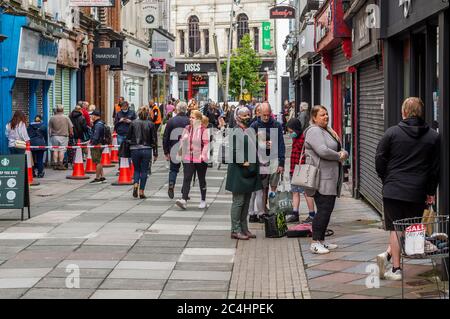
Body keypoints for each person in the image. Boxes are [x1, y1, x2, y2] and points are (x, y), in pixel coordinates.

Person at [375, 97, 440, 281]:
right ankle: (392, 257)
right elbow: (435, 169)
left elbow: (379, 158)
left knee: (395, 228)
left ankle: (396, 269)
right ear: (421, 113)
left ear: (403, 112)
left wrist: (386, 179)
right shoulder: (433, 137)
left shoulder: (392, 133)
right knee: (411, 227)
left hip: (393, 189)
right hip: (417, 191)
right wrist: (430, 192)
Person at [304, 105, 348, 255]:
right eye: (322, 115)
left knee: (327, 210)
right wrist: (339, 156)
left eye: (327, 114)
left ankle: (321, 240)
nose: (326, 117)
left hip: (329, 177)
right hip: (321, 178)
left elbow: (336, 148)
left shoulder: (325, 130)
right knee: (323, 210)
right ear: (314, 117)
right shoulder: (314, 131)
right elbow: (322, 150)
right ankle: (315, 242)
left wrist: (343, 153)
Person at [226, 106, 262, 240]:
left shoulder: (248, 130)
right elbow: (234, 152)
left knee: (246, 202)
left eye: (249, 114)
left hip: (249, 171)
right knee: (239, 202)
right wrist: (245, 163)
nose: (248, 117)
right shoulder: (235, 131)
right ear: (238, 117)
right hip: (239, 172)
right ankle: (235, 230)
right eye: (245, 115)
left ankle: (244, 228)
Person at [250, 102, 286, 214]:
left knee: (273, 186)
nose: (266, 117)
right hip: (262, 161)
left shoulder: (276, 125)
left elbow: (281, 144)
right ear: (259, 113)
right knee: (263, 187)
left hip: (274, 159)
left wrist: (281, 163)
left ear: (270, 113)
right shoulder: (255, 126)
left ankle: (273, 209)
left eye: (268, 114)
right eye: (263, 115)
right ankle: (264, 210)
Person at [175, 110, 210, 210]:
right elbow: (182, 141)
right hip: (189, 157)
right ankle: (184, 200)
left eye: (193, 117)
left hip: (200, 159)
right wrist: (183, 140)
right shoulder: (187, 128)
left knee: (201, 179)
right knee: (187, 178)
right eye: (190, 117)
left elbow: (206, 143)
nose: (190, 119)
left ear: (198, 119)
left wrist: (203, 155)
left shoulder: (203, 130)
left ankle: (203, 200)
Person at [285, 118, 316, 223]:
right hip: (293, 170)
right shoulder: (296, 138)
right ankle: (295, 213)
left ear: (296, 129)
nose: (291, 134)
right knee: (295, 192)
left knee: (306, 193)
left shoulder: (304, 139)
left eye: (291, 131)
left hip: (302, 169)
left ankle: (312, 215)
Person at [127, 106, 158, 199]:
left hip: (134, 149)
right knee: (144, 171)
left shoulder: (133, 123)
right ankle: (141, 191)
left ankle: (136, 184)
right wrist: (155, 153)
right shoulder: (151, 124)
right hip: (147, 149)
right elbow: (154, 139)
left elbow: (128, 137)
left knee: (136, 169)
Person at [163, 101, 190, 199]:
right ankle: (184, 190)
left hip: (174, 148)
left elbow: (165, 137)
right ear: (186, 109)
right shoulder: (189, 121)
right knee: (187, 171)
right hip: (186, 149)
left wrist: (166, 151)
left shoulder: (171, 121)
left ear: (177, 109)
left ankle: (171, 184)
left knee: (173, 169)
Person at [49, 105, 73, 170]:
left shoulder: (52, 118)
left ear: (56, 110)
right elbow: (70, 127)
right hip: (64, 136)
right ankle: (60, 164)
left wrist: (50, 135)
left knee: (55, 150)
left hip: (54, 136)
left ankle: (55, 164)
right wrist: (71, 133)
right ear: (63, 110)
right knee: (62, 150)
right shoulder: (66, 118)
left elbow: (50, 128)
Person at [89, 111, 106, 184]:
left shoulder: (98, 125)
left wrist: (93, 143)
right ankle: (102, 176)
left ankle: (97, 178)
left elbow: (96, 135)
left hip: (97, 144)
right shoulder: (100, 123)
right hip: (100, 143)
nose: (91, 117)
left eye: (91, 116)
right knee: (99, 160)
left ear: (95, 116)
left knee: (97, 162)